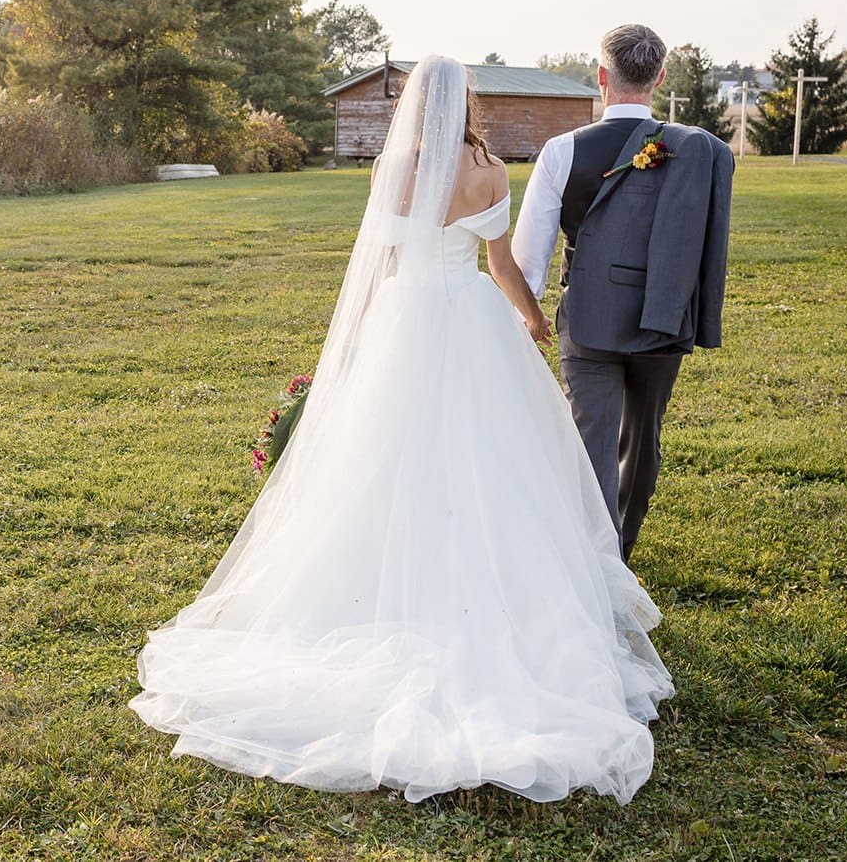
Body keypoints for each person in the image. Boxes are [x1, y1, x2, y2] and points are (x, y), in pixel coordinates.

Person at [128, 56, 674, 806]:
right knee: (491, 462)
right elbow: (500, 262)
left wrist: (350, 345)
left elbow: (376, 260)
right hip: (472, 319)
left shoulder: (394, 170)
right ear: (467, 102)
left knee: (383, 459)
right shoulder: (488, 169)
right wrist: (531, 315)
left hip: (402, 317)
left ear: (414, 105)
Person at [511, 24, 734, 564]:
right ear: (659, 78)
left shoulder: (562, 151)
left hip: (589, 318)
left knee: (592, 436)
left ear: (601, 76)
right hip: (665, 315)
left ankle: (596, 557)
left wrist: (528, 316)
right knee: (643, 437)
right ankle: (621, 548)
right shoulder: (692, 150)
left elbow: (529, 255)